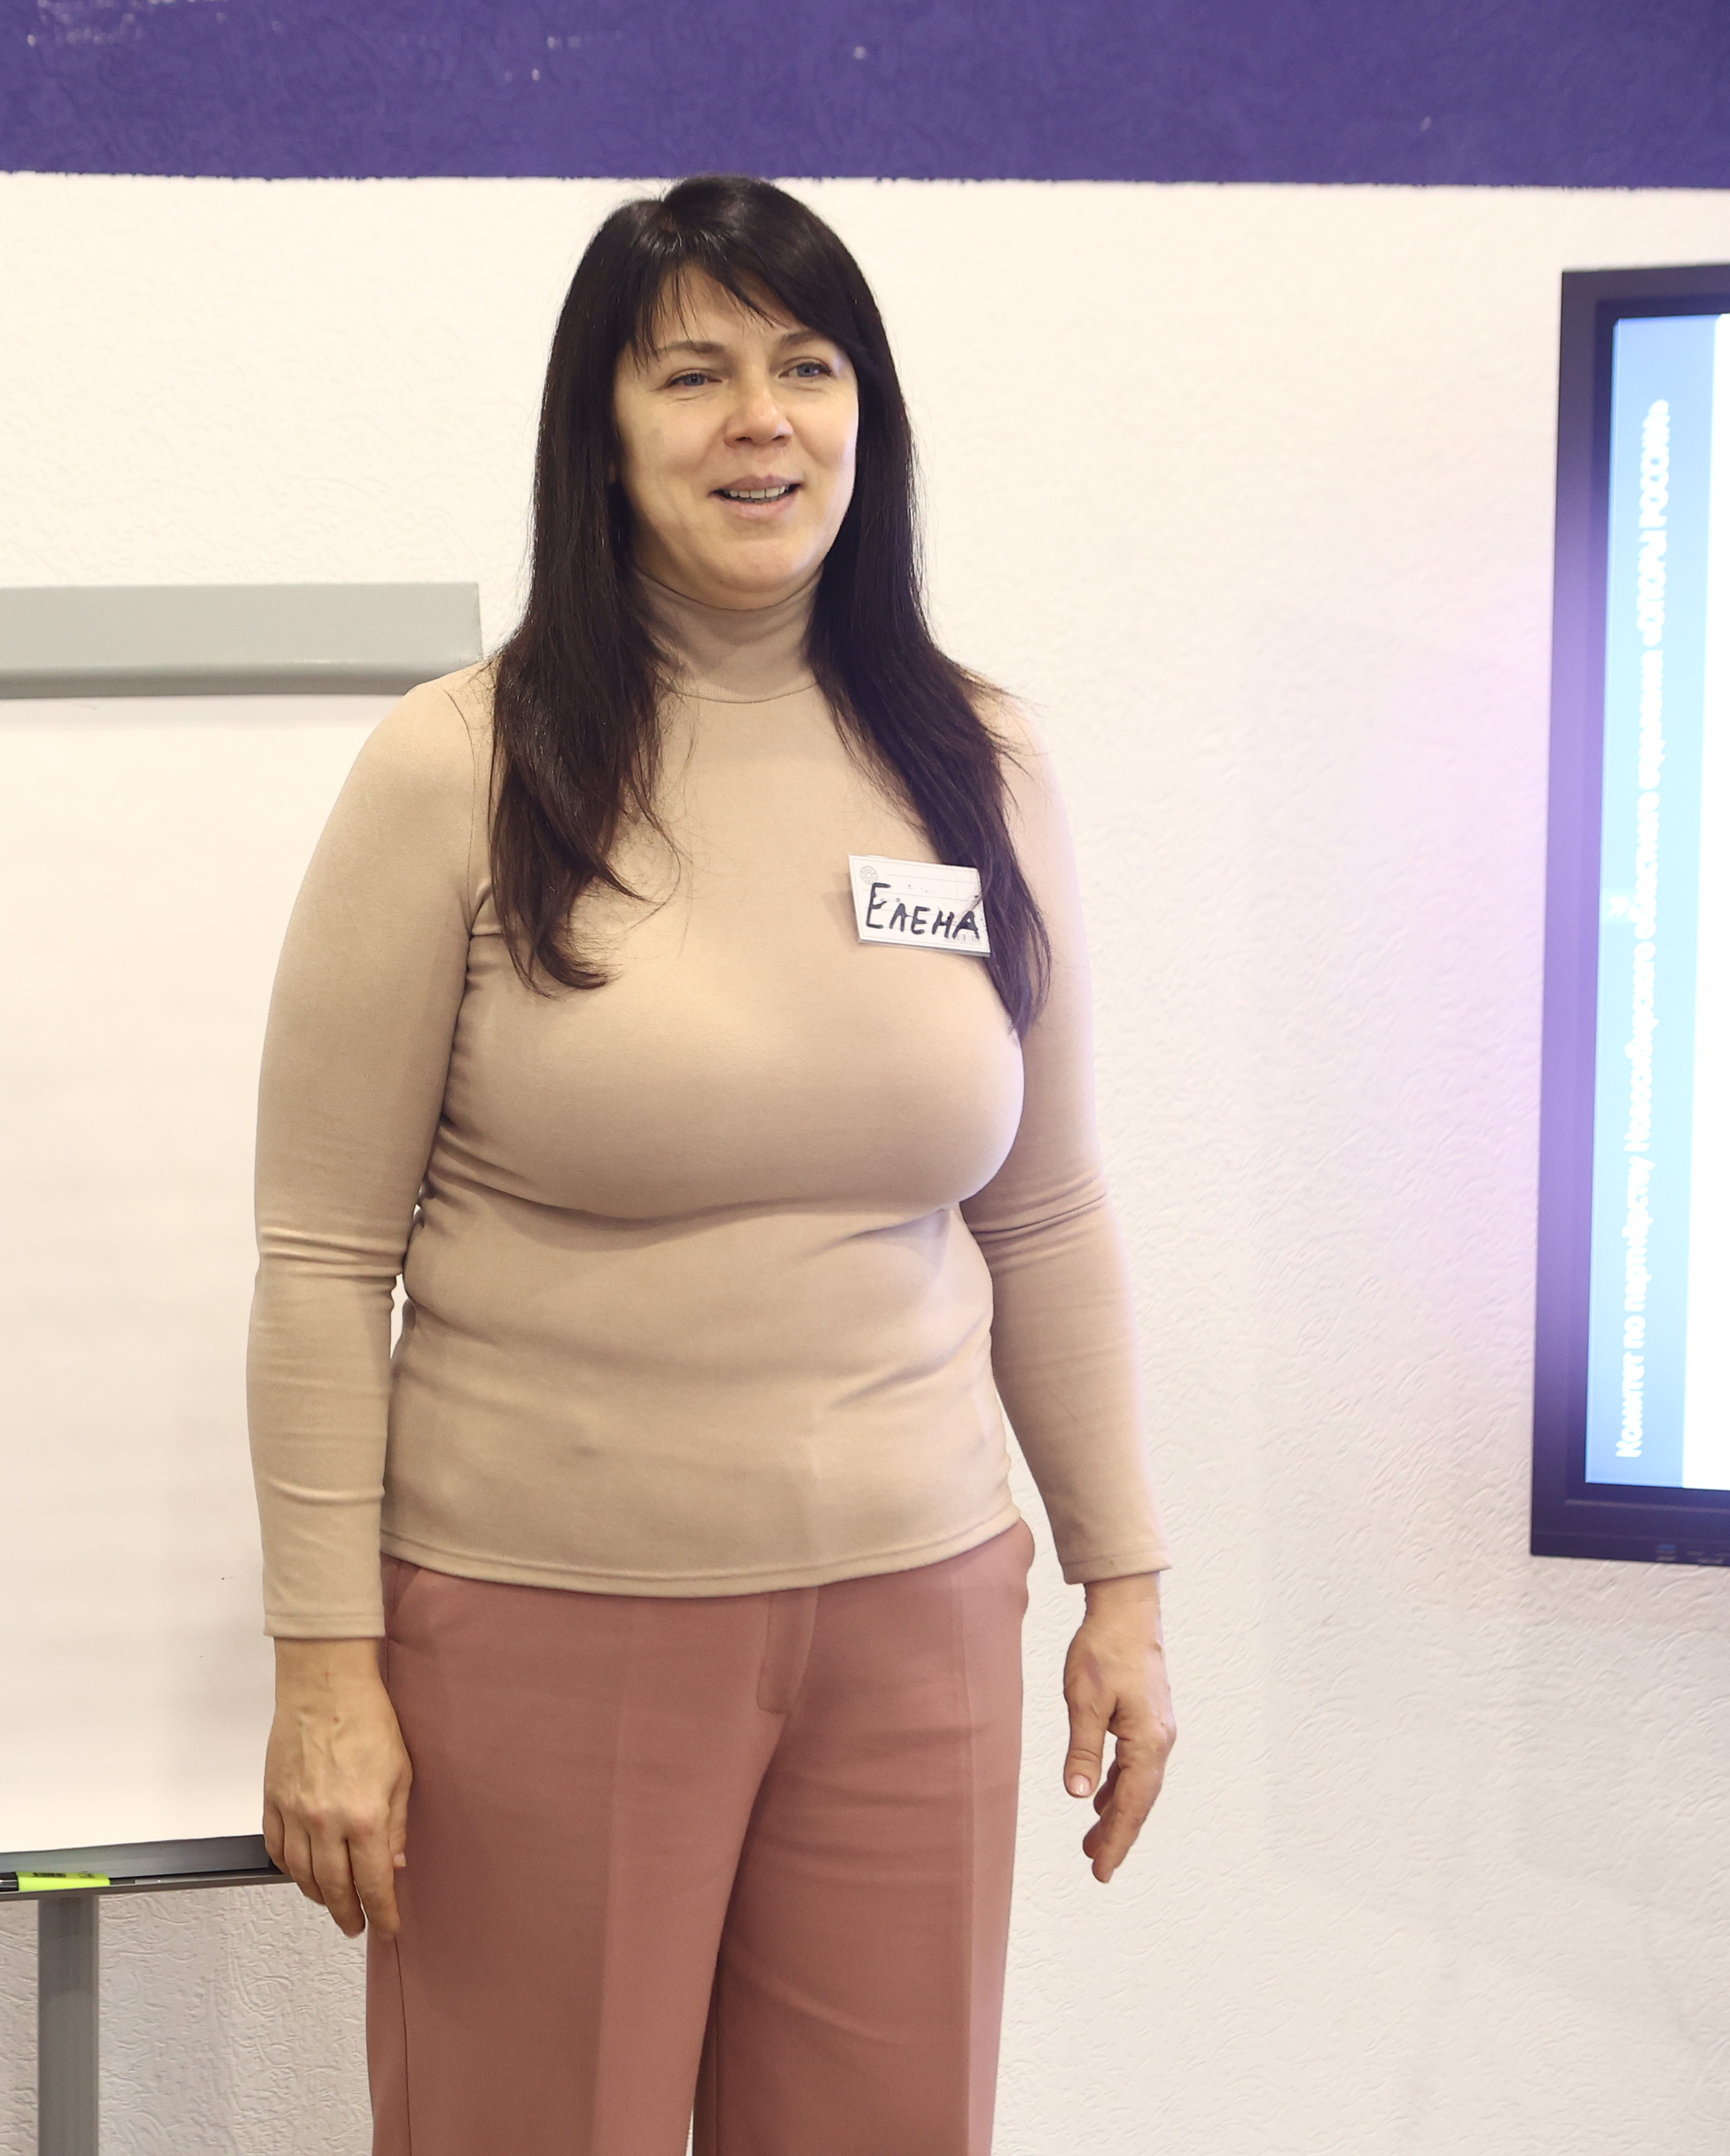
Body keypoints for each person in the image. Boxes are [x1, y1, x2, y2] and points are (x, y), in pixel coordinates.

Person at [248, 176, 1178, 2155]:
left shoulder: (979, 761)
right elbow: (322, 1257)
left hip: (918, 1620)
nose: (762, 420)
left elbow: (1046, 1210)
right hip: (541, 1627)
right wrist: (325, 1664)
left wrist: (1126, 1580)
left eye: (808, 367)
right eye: (693, 375)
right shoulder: (462, 765)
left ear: (867, 416)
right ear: (601, 430)